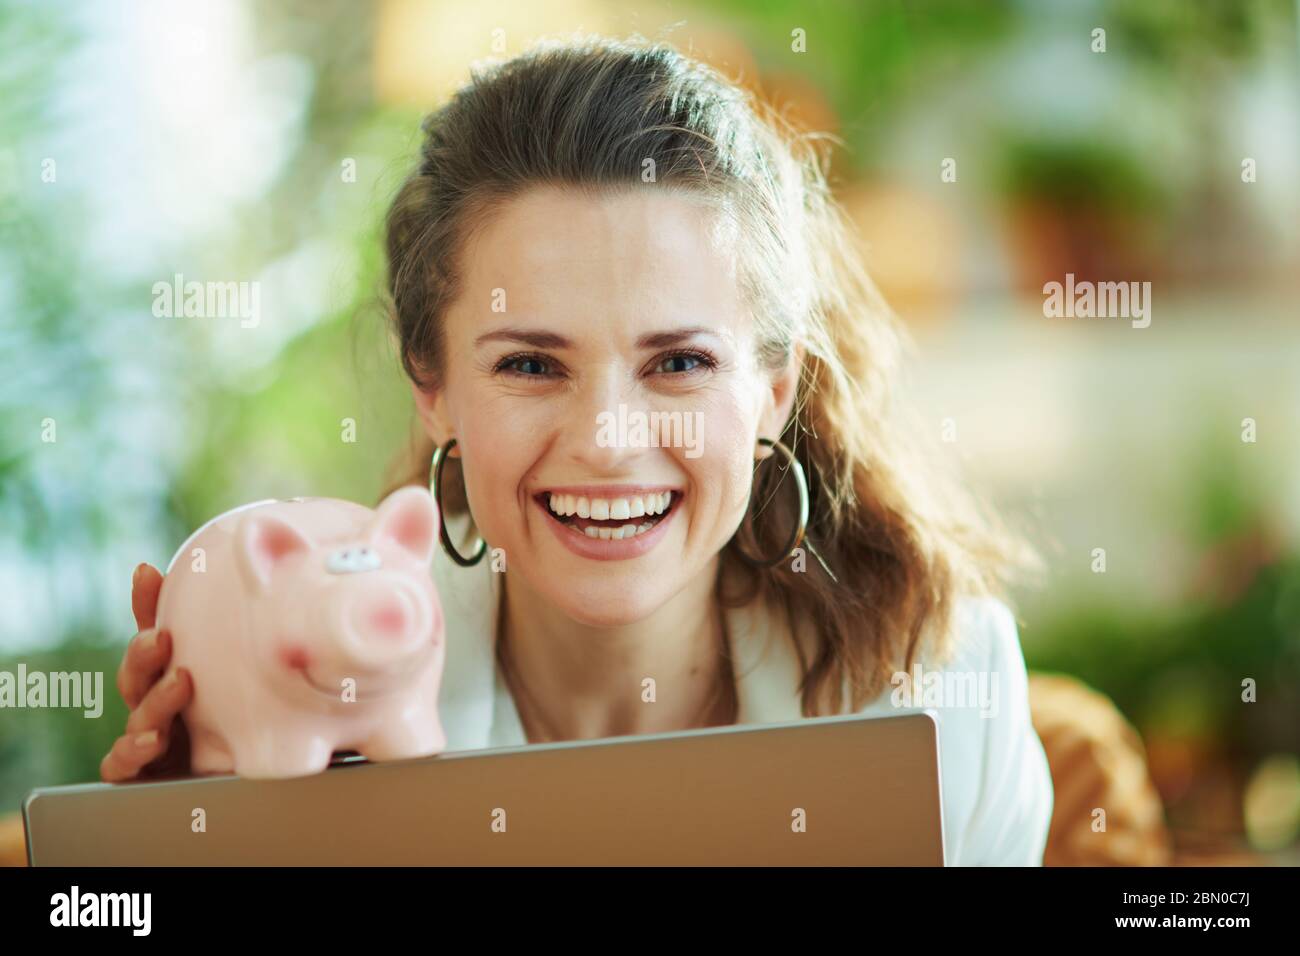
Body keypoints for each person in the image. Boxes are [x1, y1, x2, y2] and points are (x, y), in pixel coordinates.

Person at [100, 36, 1053, 864]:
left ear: (772, 392)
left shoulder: (943, 681)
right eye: (529, 365)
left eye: (678, 360)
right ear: (432, 390)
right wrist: (200, 850)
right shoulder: (315, 687)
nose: (608, 442)